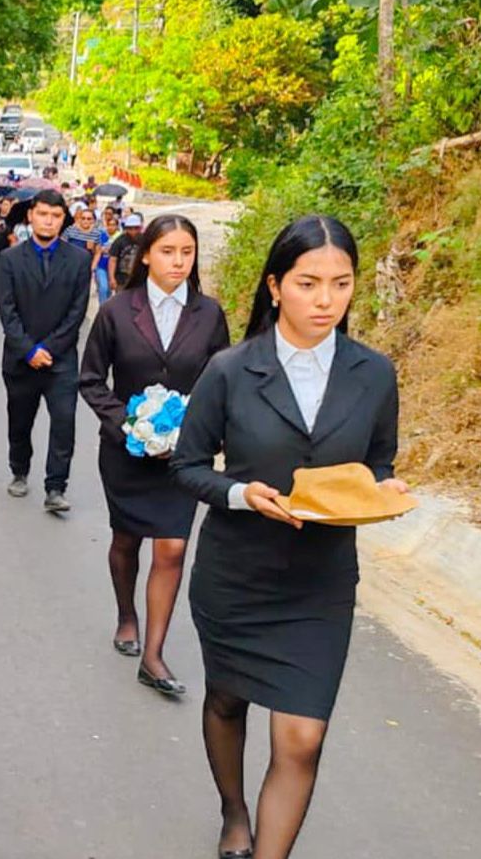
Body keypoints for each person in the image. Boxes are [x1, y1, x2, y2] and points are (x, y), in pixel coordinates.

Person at [171, 215, 404, 859]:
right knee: (226, 701)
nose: (326, 300)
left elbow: (378, 462)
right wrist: (243, 494)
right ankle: (233, 812)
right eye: (308, 283)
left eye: (341, 284)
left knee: (301, 738)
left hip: (320, 584)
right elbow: (187, 466)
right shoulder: (229, 370)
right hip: (237, 576)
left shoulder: (374, 374)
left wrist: (381, 494)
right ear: (276, 286)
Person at [79, 215, 230, 698]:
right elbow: (90, 379)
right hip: (126, 451)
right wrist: (128, 422)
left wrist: (202, 429)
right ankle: (127, 614)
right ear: (146, 255)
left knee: (172, 548)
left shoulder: (209, 314)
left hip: (183, 457)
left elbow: (220, 380)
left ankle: (154, 654)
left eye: (187, 252)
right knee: (126, 541)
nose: (178, 261)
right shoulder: (118, 311)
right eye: (168, 251)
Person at [0, 189, 91, 513]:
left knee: (64, 422)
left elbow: (77, 312)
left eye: (56, 215)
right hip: (20, 361)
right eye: (43, 214)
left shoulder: (79, 260)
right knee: (20, 421)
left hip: (60, 360)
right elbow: (7, 312)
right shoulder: (10, 260)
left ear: (63, 220)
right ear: (31, 216)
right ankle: (19, 470)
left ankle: (55, 488)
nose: (48, 221)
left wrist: (48, 348)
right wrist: (29, 350)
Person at [61, 205, 106, 300]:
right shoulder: (70, 230)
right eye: (83, 218)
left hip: (85, 268)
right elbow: (61, 246)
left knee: (80, 294)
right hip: (68, 266)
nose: (86, 221)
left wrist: (92, 267)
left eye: (89, 218)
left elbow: (98, 253)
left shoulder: (96, 234)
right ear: (79, 219)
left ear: (93, 220)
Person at [108, 213, 144, 292]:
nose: (133, 231)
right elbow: (113, 260)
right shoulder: (119, 241)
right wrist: (112, 278)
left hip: (140, 279)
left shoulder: (144, 240)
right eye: (130, 228)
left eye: (136, 228)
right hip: (122, 279)